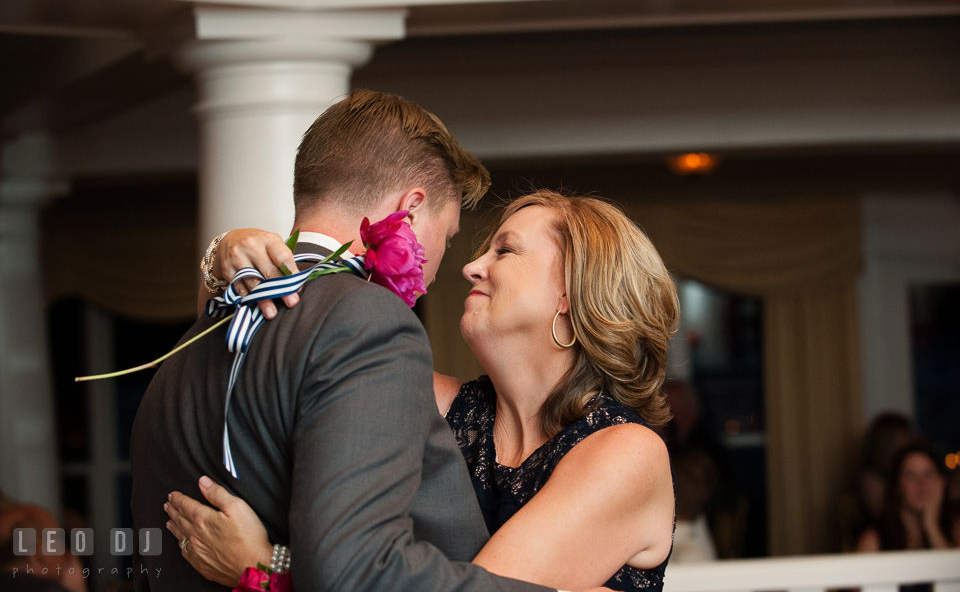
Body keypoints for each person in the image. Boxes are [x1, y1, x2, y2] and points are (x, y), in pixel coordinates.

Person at [130, 89, 556, 592]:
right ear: (412, 209)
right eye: (449, 232)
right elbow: (355, 569)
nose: (446, 260)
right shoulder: (366, 320)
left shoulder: (198, 337)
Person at [164, 190, 677, 591]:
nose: (471, 266)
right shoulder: (429, 399)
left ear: (568, 293)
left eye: (505, 250)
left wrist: (266, 567)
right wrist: (226, 255)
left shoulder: (626, 455)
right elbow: (288, 355)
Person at [856, 442, 959, 552]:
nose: (921, 484)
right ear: (897, 486)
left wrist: (931, 526)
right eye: (911, 475)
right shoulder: (873, 540)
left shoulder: (956, 528)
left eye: (928, 474)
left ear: (941, 483)